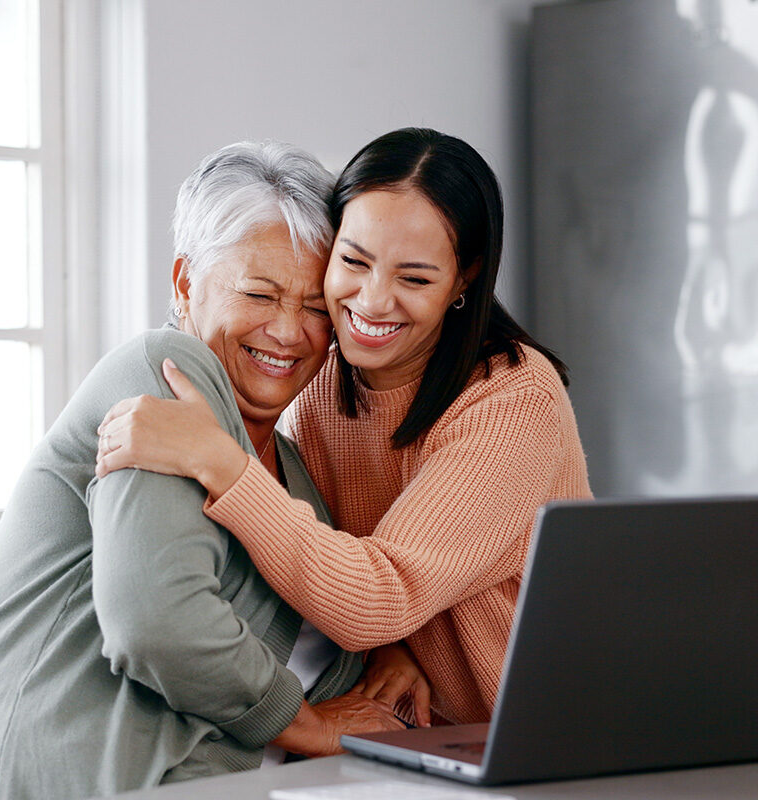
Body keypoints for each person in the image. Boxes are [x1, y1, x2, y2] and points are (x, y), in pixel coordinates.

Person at [0, 141, 422, 800]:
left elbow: (314, 616)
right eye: (260, 293)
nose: (290, 332)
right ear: (184, 283)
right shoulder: (165, 371)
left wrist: (386, 657)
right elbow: (155, 618)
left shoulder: (289, 469)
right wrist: (305, 723)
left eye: (317, 307)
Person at [96, 127, 593, 727]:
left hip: (556, 735)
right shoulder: (319, 374)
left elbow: (378, 595)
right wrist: (392, 649)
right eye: (353, 261)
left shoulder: (511, 399)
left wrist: (223, 463)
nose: (373, 301)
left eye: (414, 278)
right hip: (430, 743)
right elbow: (316, 558)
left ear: (464, 279)